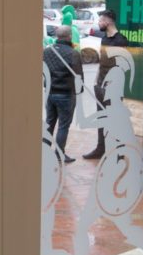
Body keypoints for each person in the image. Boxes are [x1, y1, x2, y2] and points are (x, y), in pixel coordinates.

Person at [83, 9, 128, 160]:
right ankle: (100, 148)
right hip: (100, 85)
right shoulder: (104, 39)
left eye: (101, 20)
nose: (99, 22)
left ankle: (119, 151)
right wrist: (96, 81)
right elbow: (102, 62)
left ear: (108, 21)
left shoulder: (120, 40)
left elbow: (122, 65)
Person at [43, 25, 83, 163]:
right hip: (66, 94)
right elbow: (79, 76)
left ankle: (44, 151)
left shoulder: (47, 51)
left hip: (50, 93)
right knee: (63, 126)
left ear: (57, 36)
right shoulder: (73, 53)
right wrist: (79, 92)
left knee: (49, 122)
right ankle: (59, 154)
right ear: (70, 36)